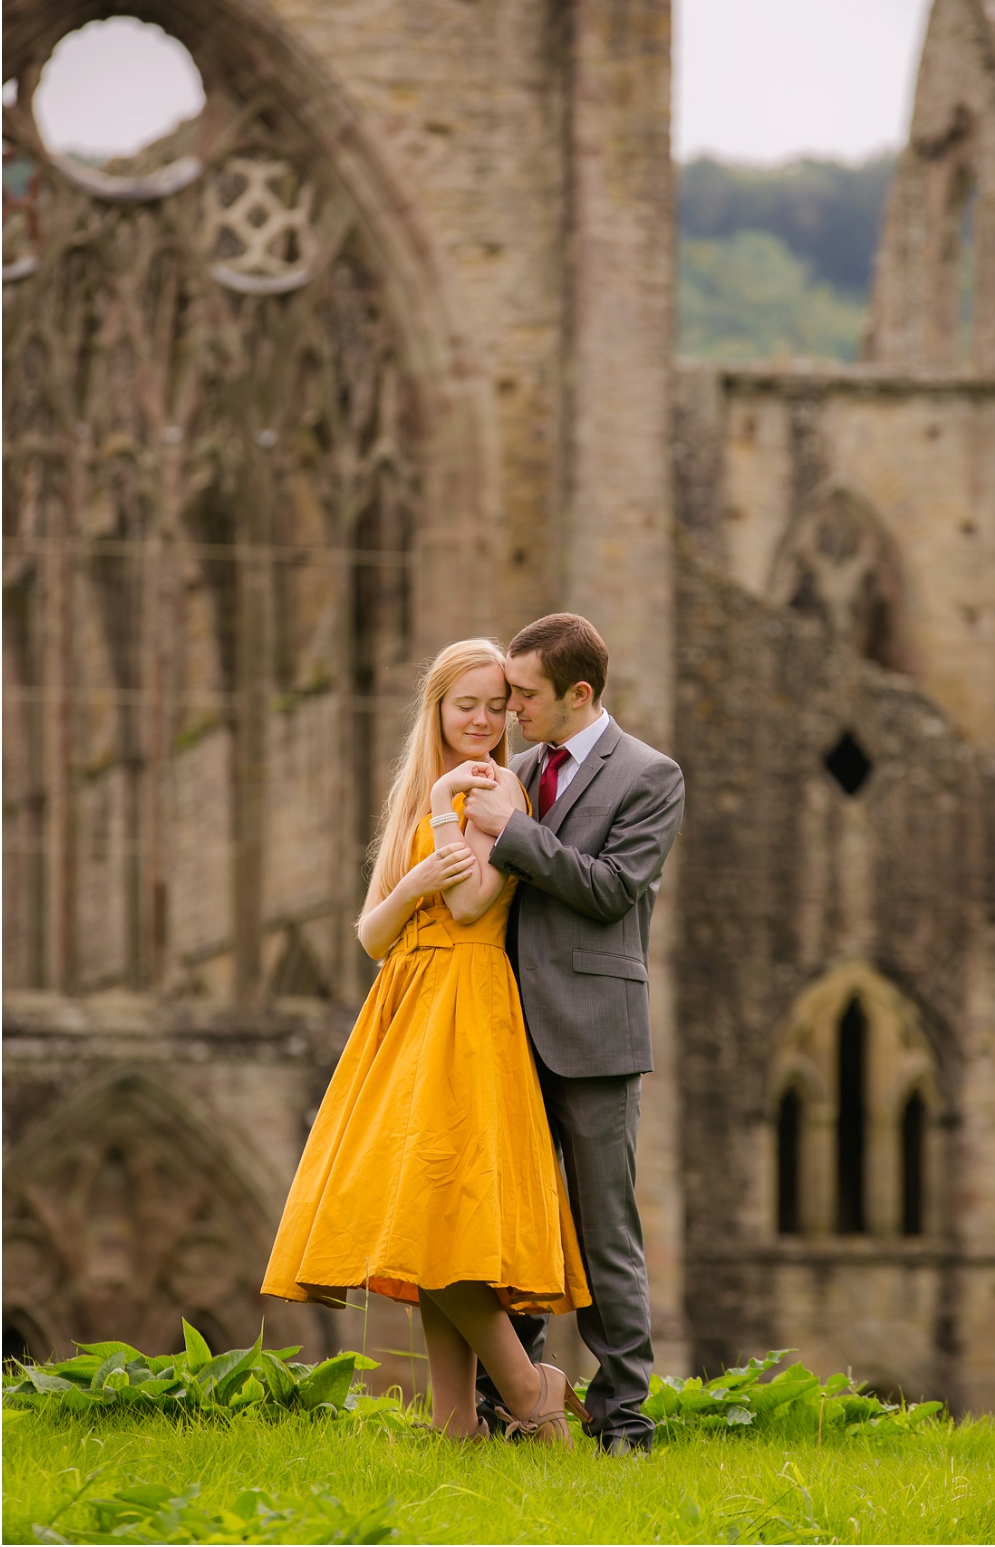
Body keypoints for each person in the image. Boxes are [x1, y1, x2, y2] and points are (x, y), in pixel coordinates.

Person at [261, 638, 592, 1445]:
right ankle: (458, 1425)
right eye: (464, 704)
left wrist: (450, 808)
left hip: (469, 1006)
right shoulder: (420, 793)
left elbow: (477, 902)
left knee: (440, 1208)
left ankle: (525, 1383)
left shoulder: (496, 786)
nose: (482, 720)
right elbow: (372, 934)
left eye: (494, 705)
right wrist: (412, 876)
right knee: (421, 1217)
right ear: (437, 710)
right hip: (405, 1004)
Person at [462, 613, 685, 1455]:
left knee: (604, 1234)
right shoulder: (511, 771)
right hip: (508, 1033)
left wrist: (512, 833)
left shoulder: (651, 776)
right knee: (515, 1228)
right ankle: (517, 1406)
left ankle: (625, 1418)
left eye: (524, 694)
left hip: (595, 1037)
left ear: (578, 694)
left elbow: (611, 889)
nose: (508, 708)